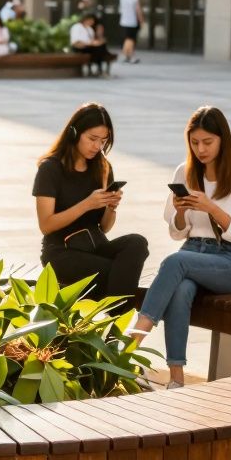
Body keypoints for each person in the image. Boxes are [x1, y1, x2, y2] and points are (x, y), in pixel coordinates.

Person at [123, 107, 231, 388]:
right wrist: (181, 211)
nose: (200, 149)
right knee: (182, 288)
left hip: (228, 260)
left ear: (222, 139)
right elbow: (177, 231)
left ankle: (132, 340)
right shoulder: (183, 172)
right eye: (195, 142)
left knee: (175, 262)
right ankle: (176, 378)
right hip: (191, 250)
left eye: (207, 142)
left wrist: (210, 207)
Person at [33, 103, 148, 310]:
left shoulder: (103, 168)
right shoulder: (50, 168)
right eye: (92, 139)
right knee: (117, 272)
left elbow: (104, 228)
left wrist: (110, 207)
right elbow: (46, 225)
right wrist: (87, 204)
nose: (97, 147)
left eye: (103, 141)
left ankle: (113, 329)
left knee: (137, 243)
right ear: (74, 133)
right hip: (61, 251)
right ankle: (116, 331)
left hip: (95, 246)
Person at [119, 0, 144, 64]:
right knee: (130, 39)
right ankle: (128, 55)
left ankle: (127, 56)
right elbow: (138, 10)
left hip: (123, 20)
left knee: (127, 38)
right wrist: (141, 21)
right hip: (132, 21)